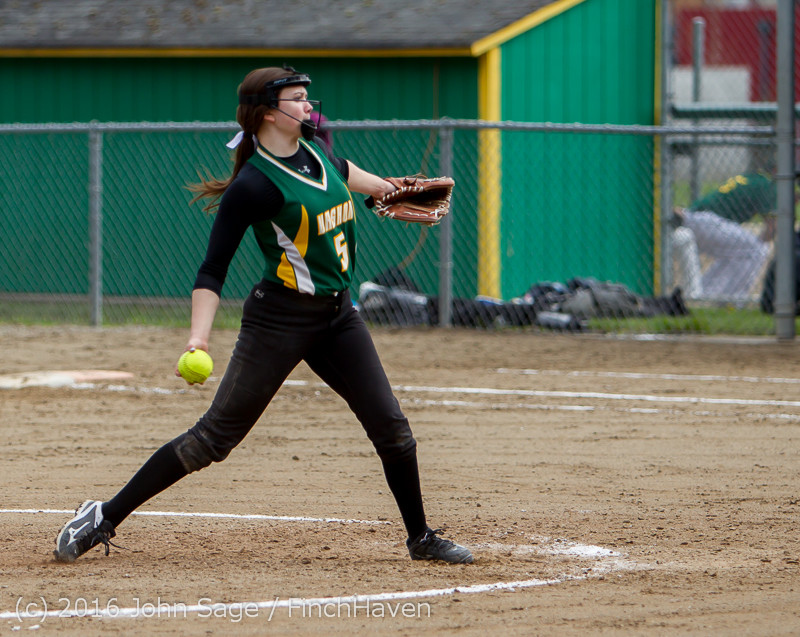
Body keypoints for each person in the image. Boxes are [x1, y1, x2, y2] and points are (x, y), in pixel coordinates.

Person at [53, 66, 473, 565]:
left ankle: (420, 537)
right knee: (212, 440)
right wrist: (198, 340)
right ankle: (103, 515)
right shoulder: (255, 185)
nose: (308, 106)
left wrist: (386, 190)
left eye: (307, 97)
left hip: (339, 318)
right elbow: (212, 270)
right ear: (268, 113)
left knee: (392, 427)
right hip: (279, 321)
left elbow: (343, 172)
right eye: (297, 98)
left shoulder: (318, 151)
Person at [672, 173, 776, 301]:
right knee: (758, 249)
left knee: (741, 251)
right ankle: (729, 299)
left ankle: (707, 293)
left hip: (696, 218)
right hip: (708, 222)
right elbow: (772, 228)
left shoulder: (755, 178)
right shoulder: (770, 186)